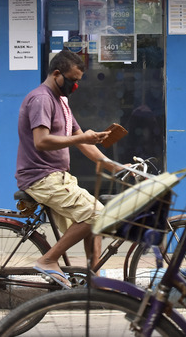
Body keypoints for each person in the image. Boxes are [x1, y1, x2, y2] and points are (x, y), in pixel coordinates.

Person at [15, 49, 117, 288]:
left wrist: (114, 166)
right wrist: (83, 139)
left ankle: (94, 280)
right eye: (72, 80)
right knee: (97, 214)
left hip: (58, 177)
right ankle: (49, 260)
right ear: (57, 74)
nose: (75, 86)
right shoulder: (41, 99)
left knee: (92, 222)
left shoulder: (62, 102)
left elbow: (81, 139)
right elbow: (42, 141)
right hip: (42, 177)